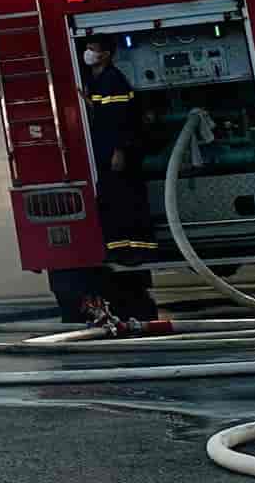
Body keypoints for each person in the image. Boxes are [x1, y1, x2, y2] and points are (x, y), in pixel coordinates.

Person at [80, 36, 162, 333]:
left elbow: (120, 119)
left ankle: (136, 249)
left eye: (94, 49)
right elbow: (101, 114)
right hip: (106, 153)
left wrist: (119, 150)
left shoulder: (113, 80)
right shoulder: (99, 79)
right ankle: (120, 248)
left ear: (107, 54)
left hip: (118, 154)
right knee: (113, 202)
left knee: (128, 201)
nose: (89, 53)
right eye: (87, 48)